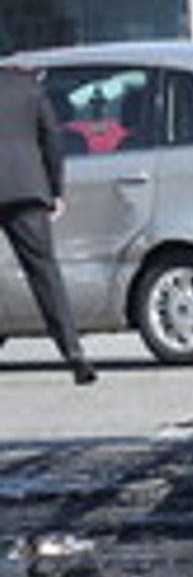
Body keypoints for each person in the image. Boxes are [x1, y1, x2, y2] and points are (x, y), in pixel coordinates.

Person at [0, 63, 95, 383]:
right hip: (27, 189)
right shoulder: (27, 86)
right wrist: (55, 189)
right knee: (44, 273)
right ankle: (73, 351)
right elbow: (52, 138)